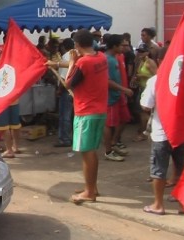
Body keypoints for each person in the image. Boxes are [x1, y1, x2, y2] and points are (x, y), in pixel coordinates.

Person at [65, 29, 108, 204]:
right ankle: (92, 187)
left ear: (76, 45)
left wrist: (71, 63)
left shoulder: (83, 63)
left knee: (87, 152)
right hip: (99, 110)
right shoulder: (101, 57)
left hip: (86, 112)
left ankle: (89, 192)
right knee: (92, 151)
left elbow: (68, 83)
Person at [140, 75, 184, 215]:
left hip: (161, 132)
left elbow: (146, 105)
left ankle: (158, 204)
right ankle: (183, 204)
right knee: (182, 169)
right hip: (182, 132)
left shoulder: (155, 80)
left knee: (158, 170)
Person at [104, 34, 133, 162]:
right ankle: (108, 151)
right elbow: (107, 81)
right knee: (109, 125)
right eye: (121, 45)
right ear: (114, 46)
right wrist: (123, 89)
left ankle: (114, 143)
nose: (123, 47)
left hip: (117, 95)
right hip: (110, 97)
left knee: (124, 118)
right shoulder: (108, 60)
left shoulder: (115, 58)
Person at [131, 43, 157, 142]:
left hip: (147, 89)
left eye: (142, 51)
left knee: (143, 112)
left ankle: (144, 132)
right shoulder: (141, 61)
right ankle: (145, 131)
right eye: (139, 51)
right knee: (141, 112)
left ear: (147, 52)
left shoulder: (150, 62)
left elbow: (156, 76)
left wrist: (142, 76)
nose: (140, 53)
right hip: (142, 88)